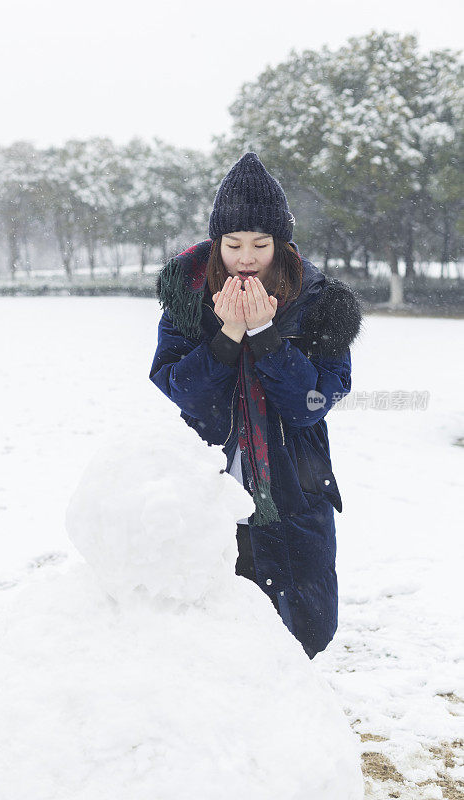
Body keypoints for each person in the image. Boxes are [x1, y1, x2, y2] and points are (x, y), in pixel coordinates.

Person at [149, 152, 363, 659]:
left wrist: (266, 337)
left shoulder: (320, 303)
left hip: (296, 483)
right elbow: (183, 391)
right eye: (233, 244)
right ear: (216, 243)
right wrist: (226, 335)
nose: (246, 257)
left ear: (281, 243)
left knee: (302, 621)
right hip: (213, 481)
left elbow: (312, 403)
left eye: (260, 244)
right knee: (217, 623)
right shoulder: (187, 298)